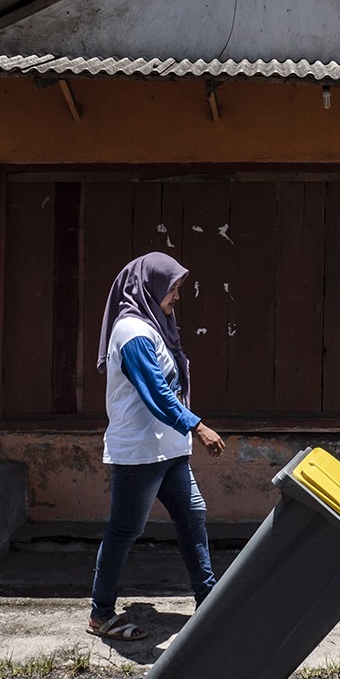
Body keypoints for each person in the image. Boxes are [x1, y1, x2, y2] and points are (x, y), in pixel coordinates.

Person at [88, 253, 224, 643]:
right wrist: (197, 426)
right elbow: (156, 392)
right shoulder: (131, 332)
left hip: (169, 448)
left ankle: (208, 598)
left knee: (192, 514)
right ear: (149, 287)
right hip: (140, 452)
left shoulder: (156, 325)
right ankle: (101, 614)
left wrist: (186, 432)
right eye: (173, 288)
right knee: (125, 530)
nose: (177, 296)